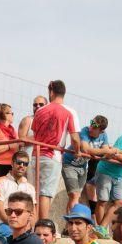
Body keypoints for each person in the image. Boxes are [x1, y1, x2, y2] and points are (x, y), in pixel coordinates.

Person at [30, 80, 81, 220]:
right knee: (45, 193)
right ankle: (43, 225)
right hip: (53, 155)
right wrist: (77, 152)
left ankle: (33, 226)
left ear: (51, 92)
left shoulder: (40, 110)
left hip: (35, 155)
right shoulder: (69, 112)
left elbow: (34, 131)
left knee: (34, 193)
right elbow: (75, 139)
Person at [61, 115, 112, 213]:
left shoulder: (104, 136)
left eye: (94, 126)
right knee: (74, 195)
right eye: (91, 123)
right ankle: (72, 222)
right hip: (69, 165)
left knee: (74, 197)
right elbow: (86, 149)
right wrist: (105, 150)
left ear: (101, 131)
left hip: (83, 167)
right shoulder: (85, 131)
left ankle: (69, 225)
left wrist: (106, 151)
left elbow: (106, 153)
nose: (91, 127)